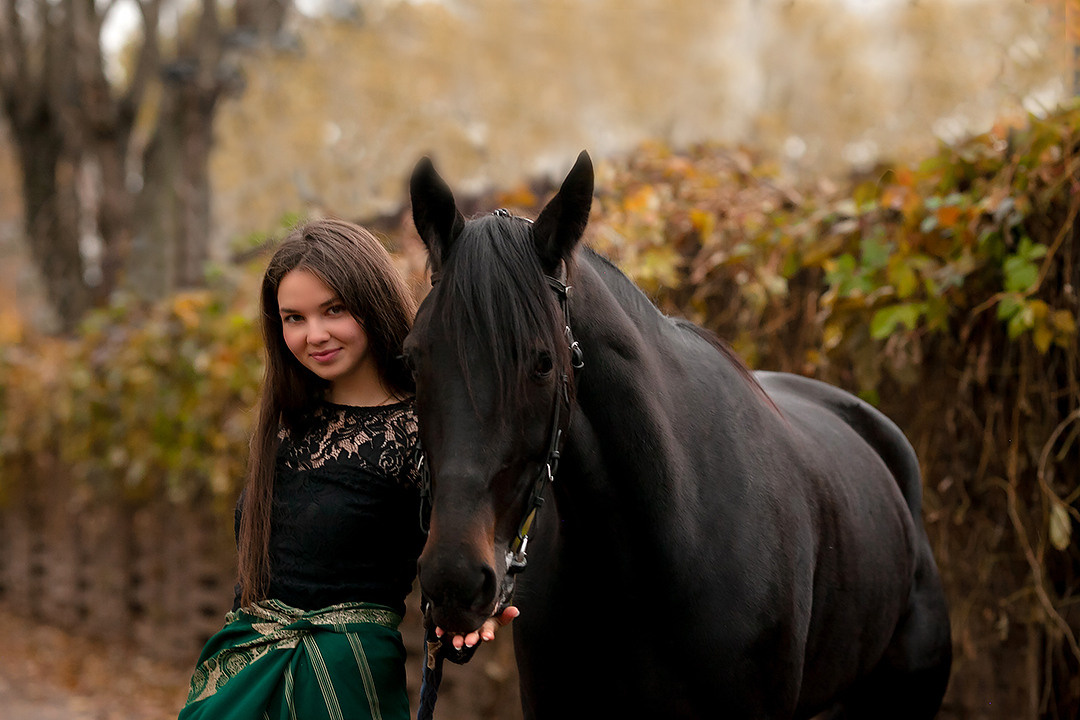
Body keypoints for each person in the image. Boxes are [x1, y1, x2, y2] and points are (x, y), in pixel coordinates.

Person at [179, 218, 516, 720]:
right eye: (294, 318)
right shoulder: (286, 420)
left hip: (346, 683)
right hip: (242, 679)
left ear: (371, 301)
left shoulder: (423, 433)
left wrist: (469, 620)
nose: (315, 335)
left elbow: (458, 550)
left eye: (333, 310)